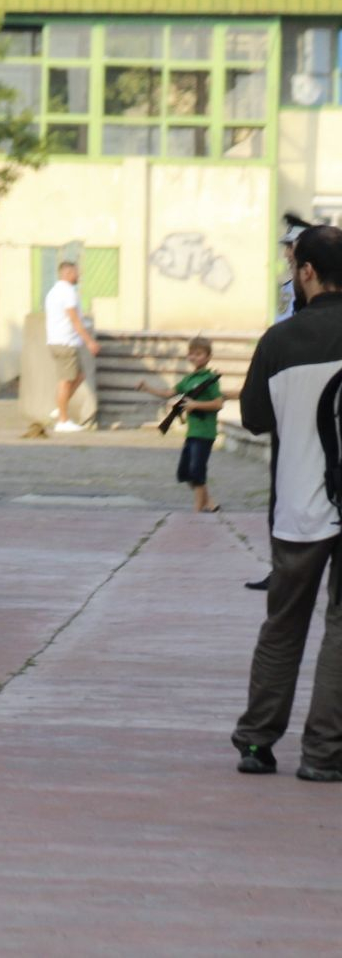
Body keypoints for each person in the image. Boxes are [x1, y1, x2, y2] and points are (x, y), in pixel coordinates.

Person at [231, 224, 342, 784]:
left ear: (306, 272)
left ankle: (256, 742)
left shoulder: (280, 341)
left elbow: (253, 418)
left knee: (284, 624)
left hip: (299, 501)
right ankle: (324, 755)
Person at [135, 336, 230, 514]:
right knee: (186, 473)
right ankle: (209, 502)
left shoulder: (210, 379)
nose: (194, 357)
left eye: (199, 354)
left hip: (205, 432)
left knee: (197, 471)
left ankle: (197, 510)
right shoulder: (188, 379)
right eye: (191, 354)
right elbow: (168, 393)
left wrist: (195, 405)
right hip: (192, 432)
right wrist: (147, 388)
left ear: (208, 357)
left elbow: (218, 403)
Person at [44, 260, 99, 433]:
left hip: (57, 340)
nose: (79, 276)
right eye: (76, 273)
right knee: (66, 381)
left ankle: (60, 408)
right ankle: (63, 420)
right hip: (65, 342)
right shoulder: (67, 292)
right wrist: (89, 341)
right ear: (67, 274)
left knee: (79, 375)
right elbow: (74, 320)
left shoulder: (53, 292)